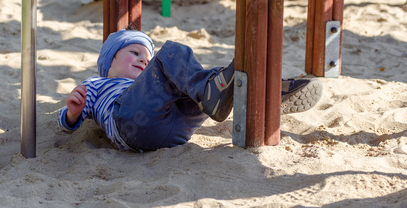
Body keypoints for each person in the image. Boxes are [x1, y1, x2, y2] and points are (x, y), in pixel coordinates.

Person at [57, 29, 322, 152]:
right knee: (173, 52)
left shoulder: (152, 81)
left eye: (147, 57)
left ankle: (260, 93)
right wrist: (72, 112)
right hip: (130, 120)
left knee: (211, 81)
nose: (144, 59)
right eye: (134, 52)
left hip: (174, 130)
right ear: (109, 61)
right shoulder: (97, 84)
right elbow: (67, 125)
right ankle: (238, 90)